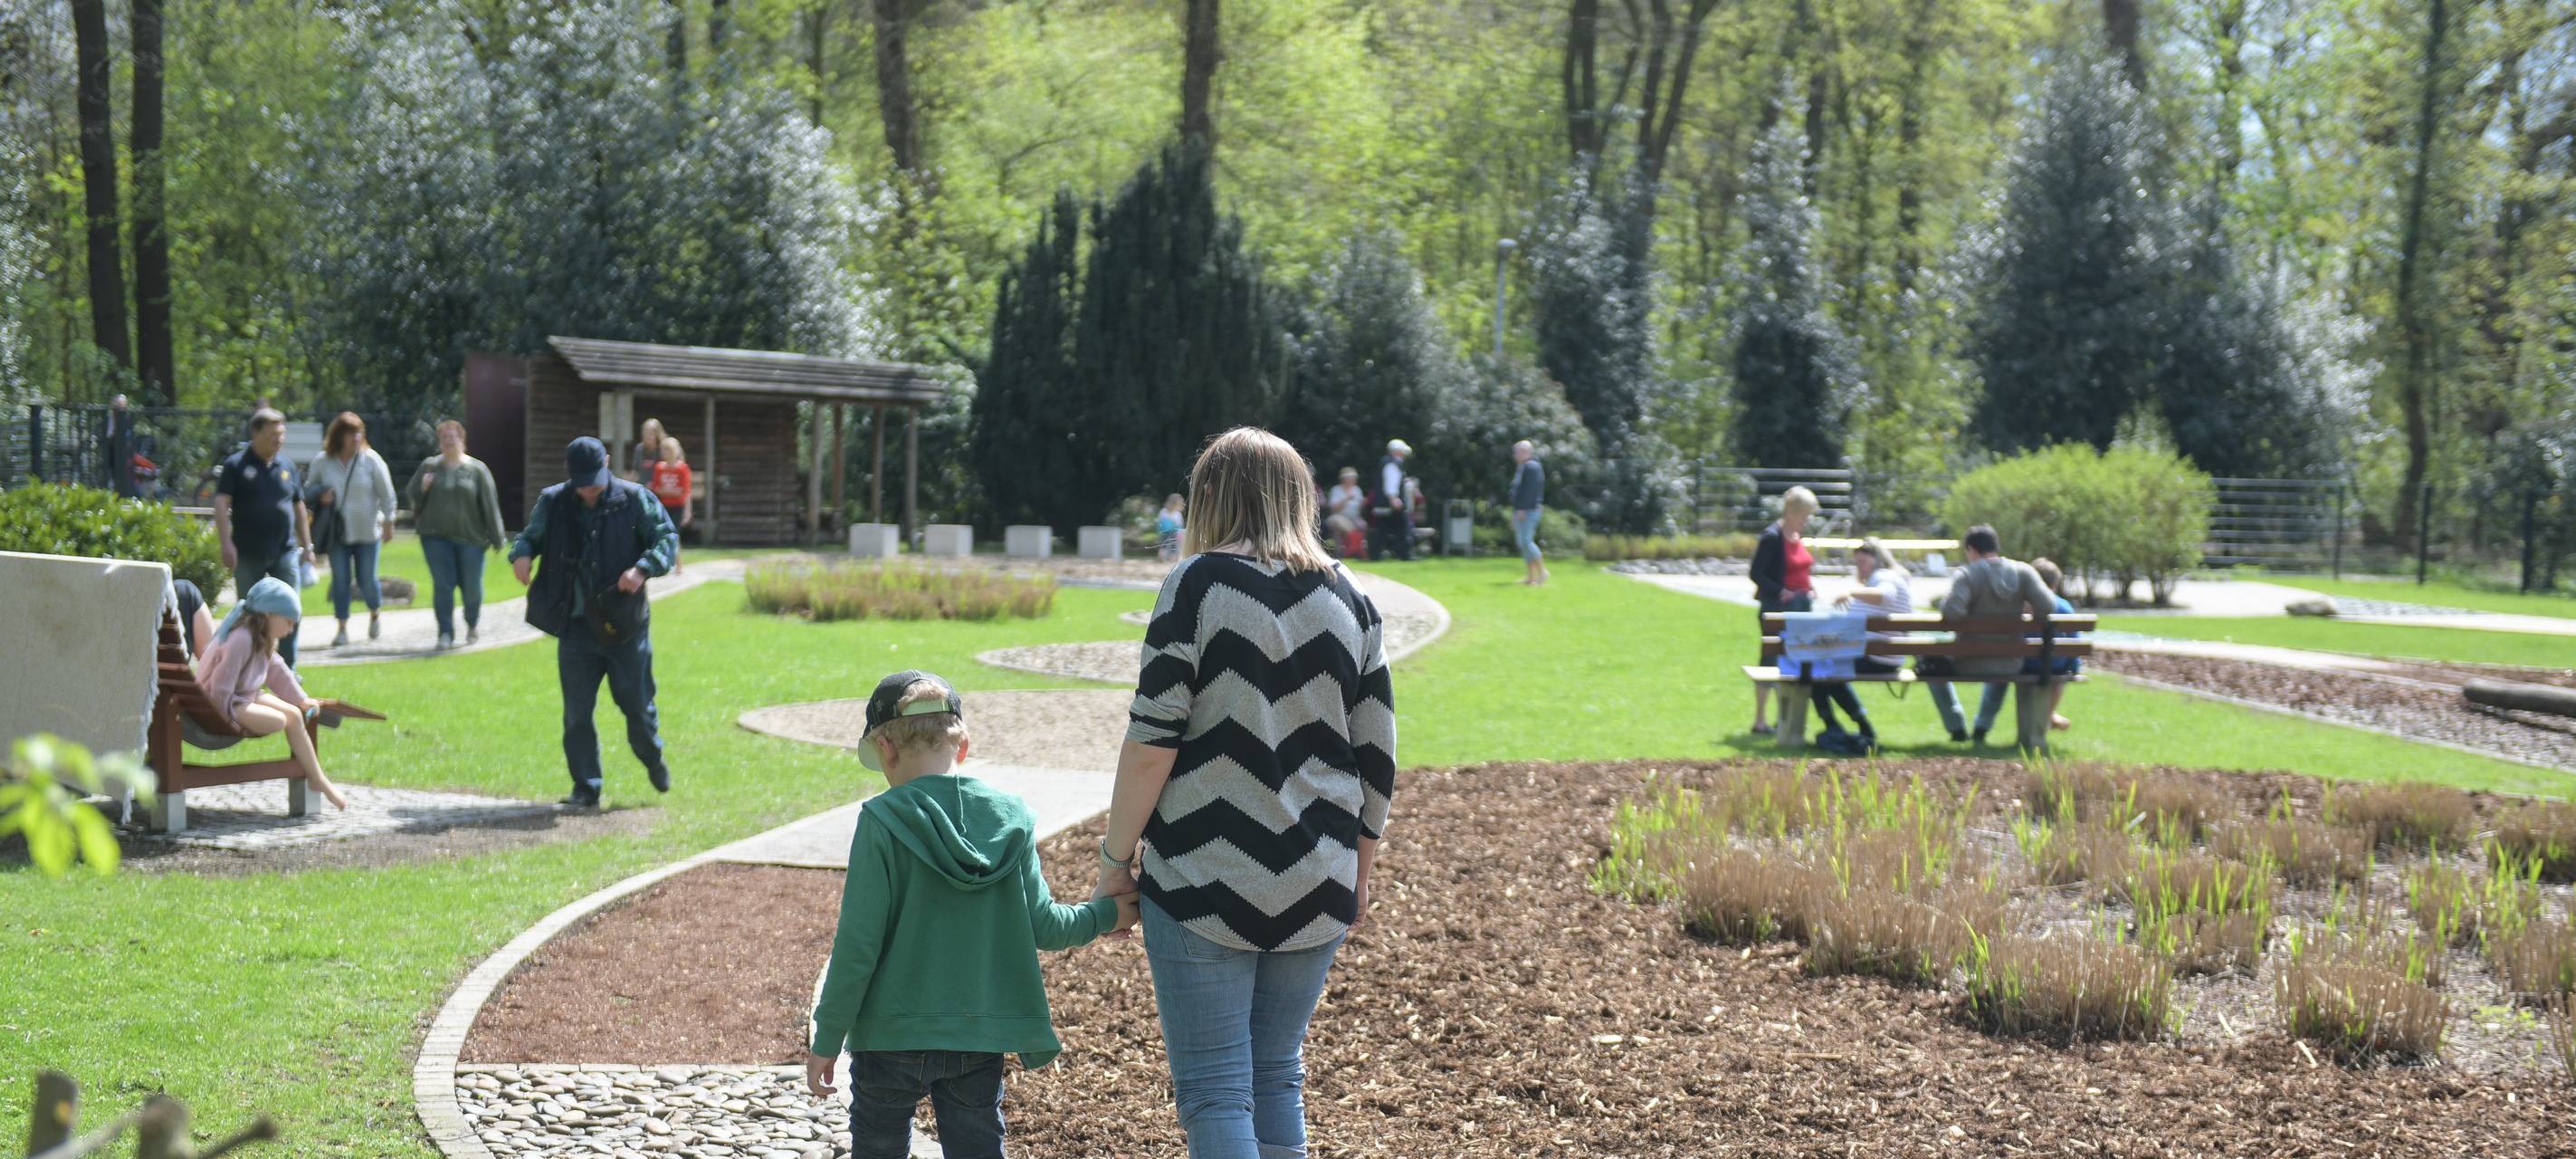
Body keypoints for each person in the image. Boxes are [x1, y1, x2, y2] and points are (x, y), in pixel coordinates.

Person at [1095, 426, 1396, 1159]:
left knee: (1216, 1089)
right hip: (1318, 875)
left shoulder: (1196, 584)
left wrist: (1114, 860)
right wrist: (1360, 872)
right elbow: (1377, 757)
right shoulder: (1350, 596)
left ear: (1210, 497)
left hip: (1204, 876)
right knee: (1276, 1078)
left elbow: (1152, 742)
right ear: (1300, 497)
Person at [804, 671, 1140, 1159]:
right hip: (977, 1036)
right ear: (961, 747)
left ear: (885, 750)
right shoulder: (1010, 820)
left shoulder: (880, 823)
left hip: (889, 1036)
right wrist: (1107, 914)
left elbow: (857, 946)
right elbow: (1044, 927)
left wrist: (828, 1037)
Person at [510, 436, 680, 809]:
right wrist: (521, 555)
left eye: (595, 478)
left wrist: (642, 568)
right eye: (581, 480)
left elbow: (667, 538)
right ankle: (586, 788)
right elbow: (528, 537)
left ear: (607, 461)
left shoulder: (635, 499)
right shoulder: (554, 501)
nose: (589, 488)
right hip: (576, 630)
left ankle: (652, 757)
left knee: (637, 706)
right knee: (576, 715)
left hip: (624, 627)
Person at [196, 577, 349, 811]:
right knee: (279, 720)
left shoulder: (263, 639)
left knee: (295, 716)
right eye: (288, 621)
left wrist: (301, 699)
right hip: (221, 705)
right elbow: (220, 684)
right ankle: (317, 778)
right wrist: (222, 717)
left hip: (244, 696)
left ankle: (318, 779)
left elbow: (278, 672)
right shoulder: (241, 638)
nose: (290, 628)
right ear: (268, 614)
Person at [1922, 523, 2058, 742]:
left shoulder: (1967, 574)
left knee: (1930, 667)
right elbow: (2048, 606)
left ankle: (1956, 727)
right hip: (2011, 662)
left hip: (1967, 663)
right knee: (2001, 666)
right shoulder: (2023, 572)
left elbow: (1953, 612)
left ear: (1972, 550)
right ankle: (1982, 728)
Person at [213, 408, 311, 666]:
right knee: (250, 613)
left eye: (282, 434)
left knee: (290, 609)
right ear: (255, 433)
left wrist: (307, 545)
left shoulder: (287, 466)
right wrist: (226, 543)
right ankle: (249, 666)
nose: (279, 439)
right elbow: (222, 504)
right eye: (273, 434)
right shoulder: (236, 465)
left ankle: (288, 669)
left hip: (285, 551)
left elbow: (299, 506)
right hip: (247, 552)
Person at [407, 419, 508, 650]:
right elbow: (413, 497)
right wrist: (423, 488)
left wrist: (497, 537)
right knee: (443, 584)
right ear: (439, 442)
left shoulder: (477, 469)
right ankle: (445, 633)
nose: (448, 442)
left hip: (471, 539)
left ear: (461, 439)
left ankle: (472, 623)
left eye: (452, 437)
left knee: (471, 586)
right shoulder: (430, 466)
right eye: (444, 438)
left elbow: (489, 505)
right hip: (435, 536)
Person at [1811, 539, 1915, 752]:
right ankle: (1857, 726)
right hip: (1882, 656)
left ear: (1878, 560)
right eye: (1857, 563)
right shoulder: (1887, 578)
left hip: (1876, 658)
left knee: (1816, 668)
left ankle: (1837, 727)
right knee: (1825, 669)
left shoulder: (1883, 577)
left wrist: (1851, 593)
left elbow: (1885, 596)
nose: (1860, 567)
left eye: (1863, 562)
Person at [307, 411, 398, 647]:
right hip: (337, 533)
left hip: (367, 532)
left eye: (359, 433)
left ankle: (375, 612)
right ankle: (342, 627)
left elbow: (387, 494)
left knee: (367, 579)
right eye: (351, 433)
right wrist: (320, 495)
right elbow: (307, 490)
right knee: (341, 580)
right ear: (339, 435)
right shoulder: (323, 462)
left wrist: (389, 521)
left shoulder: (371, 460)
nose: (356, 438)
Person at [1969, 556, 2081, 743]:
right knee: (2058, 679)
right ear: (2054, 585)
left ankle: (1982, 726)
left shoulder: (2022, 604)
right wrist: (2074, 667)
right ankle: (2047, 719)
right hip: (2055, 666)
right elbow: (2074, 645)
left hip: (2024, 664)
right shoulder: (2065, 607)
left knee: (2000, 676)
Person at [1748, 485, 1820, 734]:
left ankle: (1785, 719)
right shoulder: (1771, 537)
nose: (1807, 520)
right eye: (1804, 514)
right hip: (1777, 607)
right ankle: (1760, 720)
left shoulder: (1797, 537)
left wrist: (1809, 587)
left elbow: (1801, 570)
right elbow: (1756, 573)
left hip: (1802, 607)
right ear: (1790, 511)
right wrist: (1780, 590)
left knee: (1793, 662)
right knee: (1770, 660)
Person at [1510, 439, 1548, 586]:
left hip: (1528, 510)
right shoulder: (1524, 466)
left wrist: (1521, 509)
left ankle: (1542, 572)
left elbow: (1530, 491)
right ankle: (1531, 577)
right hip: (1523, 509)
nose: (1514, 455)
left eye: (1517, 452)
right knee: (1523, 543)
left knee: (1526, 541)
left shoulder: (1531, 467)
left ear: (1525, 452)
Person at [1370, 438, 1414, 560]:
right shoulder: (1392, 464)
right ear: (1397, 452)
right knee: (1403, 530)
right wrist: (1394, 498)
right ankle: (1405, 555)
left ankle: (1375, 555)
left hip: (1383, 505)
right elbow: (1391, 483)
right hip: (1390, 504)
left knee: (1381, 531)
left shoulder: (1387, 463)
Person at [1323, 466, 1367, 559]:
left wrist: (1363, 504)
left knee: (1363, 524)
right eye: (1350, 478)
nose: (1352, 480)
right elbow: (1334, 508)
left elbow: (1360, 509)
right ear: (1344, 479)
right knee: (1336, 522)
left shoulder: (1357, 490)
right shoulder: (1336, 490)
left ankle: (1357, 549)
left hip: (1354, 518)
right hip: (1339, 516)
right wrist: (1346, 499)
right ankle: (1344, 549)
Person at [105, 393, 138, 498]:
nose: (120, 407)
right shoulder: (109, 418)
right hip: (113, 450)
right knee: (113, 474)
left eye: (122, 405)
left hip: (124, 452)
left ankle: (125, 496)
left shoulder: (127, 418)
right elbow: (109, 435)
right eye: (118, 405)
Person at [626, 417, 666, 483]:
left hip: (659, 488)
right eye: (645, 433)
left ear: (657, 434)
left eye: (651, 433)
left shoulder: (663, 448)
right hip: (642, 487)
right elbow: (635, 470)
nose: (648, 436)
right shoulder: (639, 448)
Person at [1156, 493, 1187, 561]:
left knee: (1163, 546)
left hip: (1163, 532)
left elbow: (1159, 523)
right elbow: (1180, 526)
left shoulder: (1163, 511)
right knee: (1174, 546)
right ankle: (1173, 559)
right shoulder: (1177, 514)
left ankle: (1161, 558)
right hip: (1174, 533)